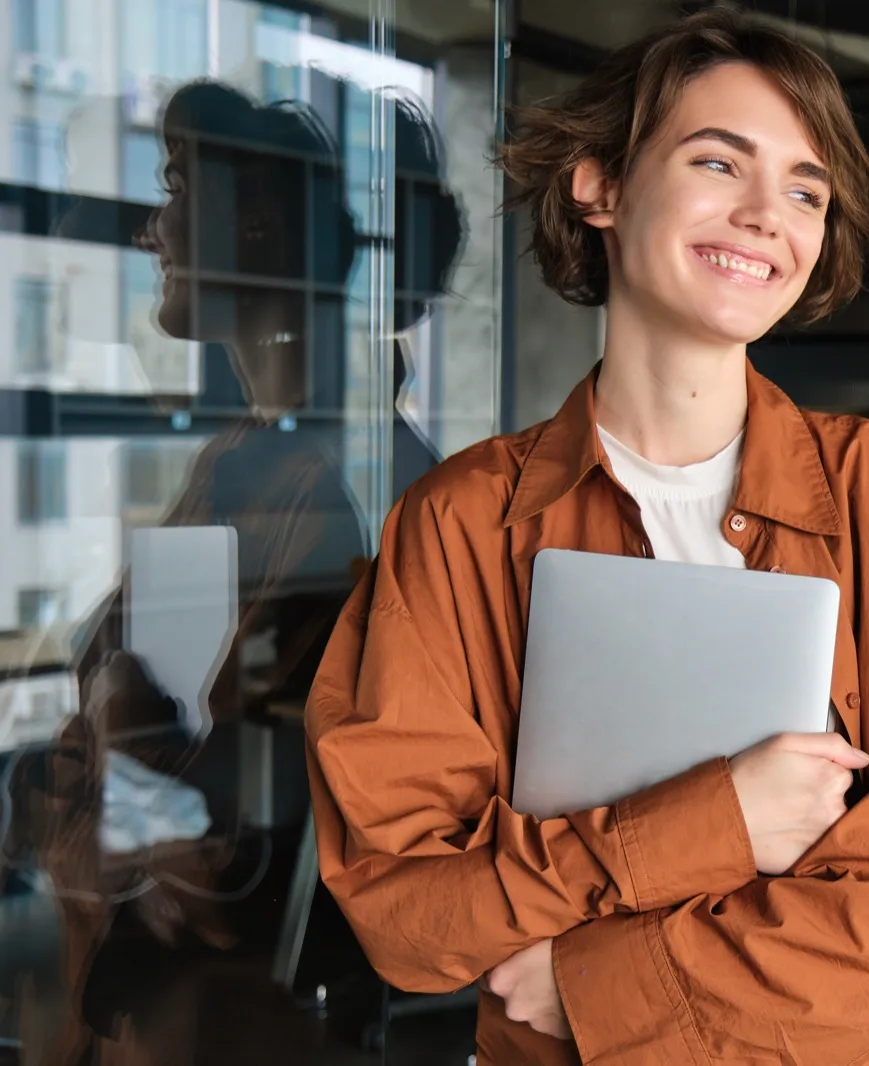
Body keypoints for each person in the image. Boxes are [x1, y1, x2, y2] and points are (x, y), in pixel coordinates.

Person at [305, 9, 869, 1065]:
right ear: (598, 184)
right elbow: (408, 908)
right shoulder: (459, 523)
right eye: (717, 161)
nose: (764, 216)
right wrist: (718, 821)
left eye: (804, 190)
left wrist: (599, 978)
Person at [6, 77, 463, 1065]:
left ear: (257, 226)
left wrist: (126, 747)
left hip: (211, 1018)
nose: (149, 231)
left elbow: (242, 853)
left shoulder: (344, 484)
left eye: (175, 186)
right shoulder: (248, 457)